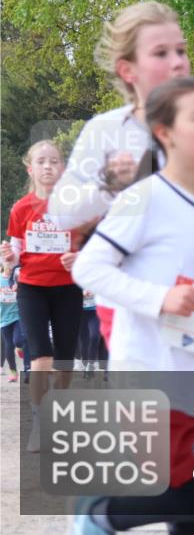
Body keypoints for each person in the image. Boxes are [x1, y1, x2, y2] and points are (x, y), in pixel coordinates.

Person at [69, 76, 194, 535]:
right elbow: (89, 269)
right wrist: (160, 299)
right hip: (148, 368)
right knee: (187, 487)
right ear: (165, 133)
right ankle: (97, 514)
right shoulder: (145, 199)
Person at [49, 1, 194, 344]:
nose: (178, 62)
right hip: (131, 301)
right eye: (161, 53)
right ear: (128, 70)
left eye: (181, 50)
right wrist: (107, 186)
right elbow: (61, 213)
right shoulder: (105, 130)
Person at [2, 140, 83, 453]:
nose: (48, 166)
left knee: (63, 362)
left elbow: (89, 246)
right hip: (32, 289)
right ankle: (40, 422)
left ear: (62, 168)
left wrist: (79, 257)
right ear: (30, 168)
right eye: (42, 161)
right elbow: (14, 254)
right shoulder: (21, 209)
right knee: (42, 358)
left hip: (68, 289)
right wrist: (8, 259)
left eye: (54, 161)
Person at [1, 263, 29, 383]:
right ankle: (13, 371)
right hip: (4, 317)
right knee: (8, 345)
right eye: (7, 263)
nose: (9, 266)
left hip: (19, 314)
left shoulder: (18, 276)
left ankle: (27, 369)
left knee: (18, 340)